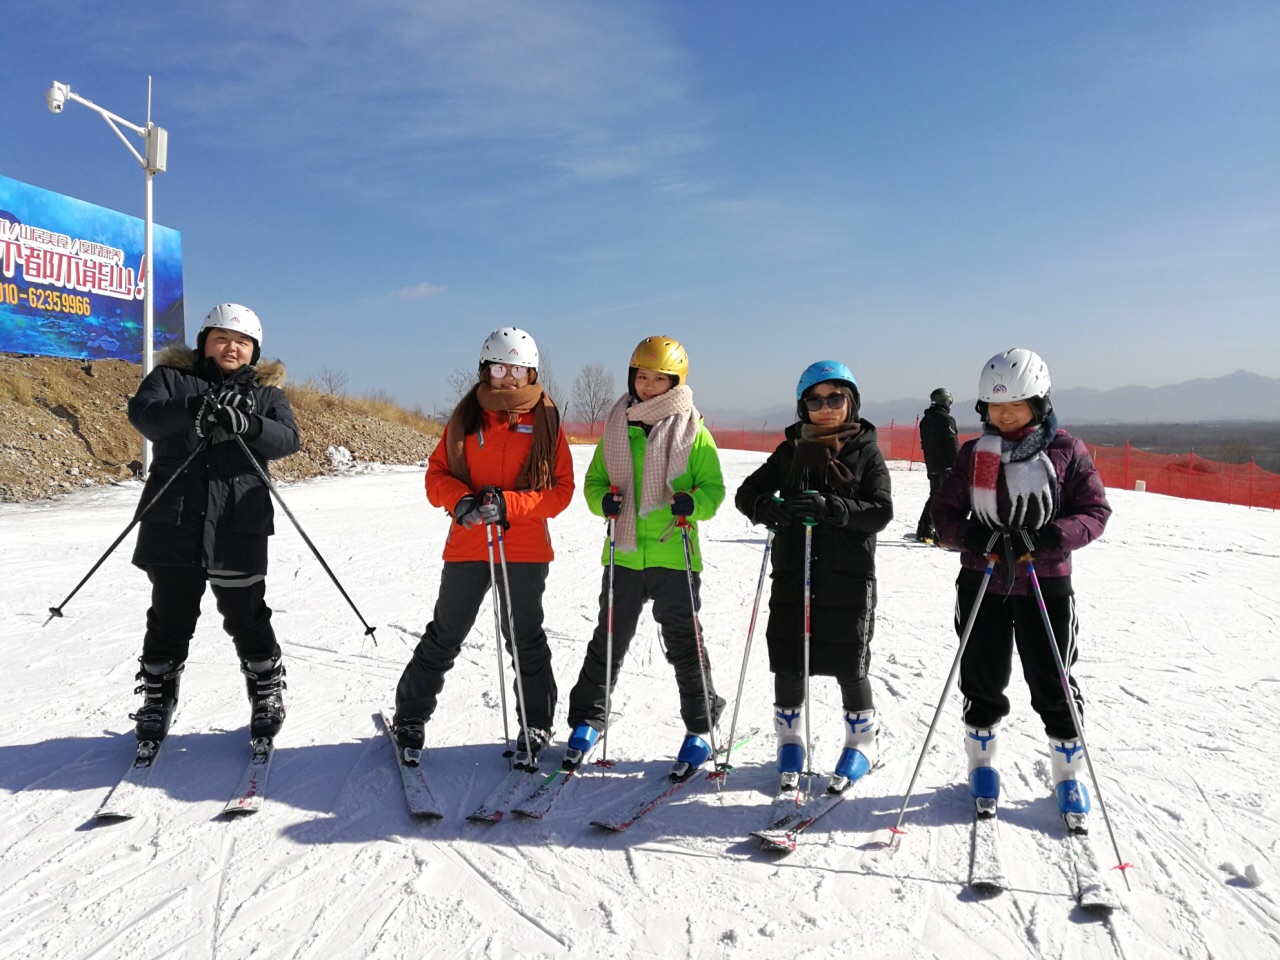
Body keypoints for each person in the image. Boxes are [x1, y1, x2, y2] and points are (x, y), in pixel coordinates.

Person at [931, 348, 1111, 822]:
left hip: (1044, 584)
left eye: (1016, 404)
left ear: (1040, 403)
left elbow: (1094, 512)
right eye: (995, 406)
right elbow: (944, 514)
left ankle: (1068, 775)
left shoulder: (1065, 451)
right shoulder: (974, 454)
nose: (1004, 415)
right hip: (982, 582)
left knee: (1053, 680)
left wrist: (1049, 536)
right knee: (981, 678)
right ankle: (983, 767)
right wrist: (974, 535)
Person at [393, 327, 573, 771]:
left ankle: (536, 723)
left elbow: (561, 491)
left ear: (531, 372)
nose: (507, 378)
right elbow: (436, 476)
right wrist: (463, 501)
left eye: (516, 369)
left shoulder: (547, 422)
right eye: (498, 367)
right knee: (446, 634)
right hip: (469, 543)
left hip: (525, 547)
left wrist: (509, 504)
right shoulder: (466, 418)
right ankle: (411, 717)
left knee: (524, 638)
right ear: (485, 370)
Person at [126, 303, 300, 749]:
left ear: (254, 351)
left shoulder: (267, 394)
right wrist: (195, 408)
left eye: (242, 342)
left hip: (237, 522)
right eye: (222, 338)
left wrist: (248, 422)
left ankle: (265, 688)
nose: (231, 347)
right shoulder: (169, 379)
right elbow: (145, 416)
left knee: (246, 614)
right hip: (175, 518)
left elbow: (287, 440)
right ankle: (157, 696)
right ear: (204, 341)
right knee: (170, 615)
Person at [565, 336, 727, 779]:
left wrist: (694, 503)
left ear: (675, 382)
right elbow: (595, 482)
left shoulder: (694, 432)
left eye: (659, 379)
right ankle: (588, 718)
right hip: (624, 553)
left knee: (684, 644)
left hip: (675, 554)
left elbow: (714, 489)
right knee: (609, 640)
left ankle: (700, 726)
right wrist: (604, 503)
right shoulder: (618, 427)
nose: (649, 385)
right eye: (642, 376)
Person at [735, 361, 893, 789]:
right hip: (794, 570)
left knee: (849, 659)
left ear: (851, 402)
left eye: (835, 398)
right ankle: (790, 738)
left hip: (847, 575)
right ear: (803, 406)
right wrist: (763, 507)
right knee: (789, 656)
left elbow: (881, 512)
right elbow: (747, 492)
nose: (826, 408)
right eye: (815, 399)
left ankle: (862, 740)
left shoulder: (866, 451)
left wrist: (833, 509)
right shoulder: (789, 451)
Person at [913, 387, 959, 543]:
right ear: (944, 402)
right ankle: (941, 535)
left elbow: (925, 444)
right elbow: (951, 444)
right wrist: (958, 464)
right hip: (946, 466)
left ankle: (924, 529)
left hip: (932, 465)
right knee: (945, 501)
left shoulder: (926, 420)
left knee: (934, 497)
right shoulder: (946, 420)